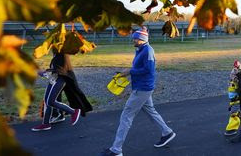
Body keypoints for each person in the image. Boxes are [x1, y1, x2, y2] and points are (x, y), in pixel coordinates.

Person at [101, 28, 176, 156]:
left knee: (126, 116)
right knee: (150, 111)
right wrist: (126, 71)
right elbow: (139, 68)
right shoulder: (141, 49)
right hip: (142, 87)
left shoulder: (147, 51)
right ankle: (167, 132)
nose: (133, 40)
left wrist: (130, 72)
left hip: (142, 88)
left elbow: (149, 70)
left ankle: (116, 150)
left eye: (135, 38)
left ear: (142, 40)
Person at [31, 48, 91, 131]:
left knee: (50, 101)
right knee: (47, 100)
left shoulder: (61, 54)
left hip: (60, 79)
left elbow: (59, 70)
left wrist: (43, 73)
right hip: (54, 79)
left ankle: (73, 112)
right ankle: (46, 123)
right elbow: (55, 70)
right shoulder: (57, 55)